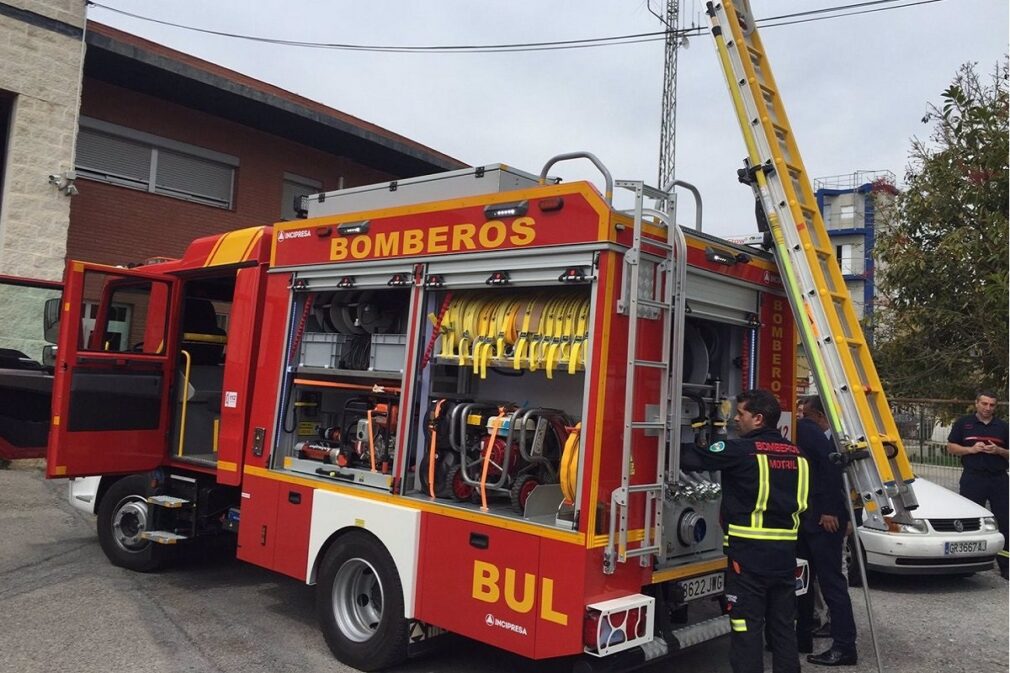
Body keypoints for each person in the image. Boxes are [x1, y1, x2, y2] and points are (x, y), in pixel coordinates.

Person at [683, 389, 808, 673]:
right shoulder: (798, 454)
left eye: (741, 414)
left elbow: (692, 459)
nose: (735, 420)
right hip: (785, 557)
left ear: (758, 418)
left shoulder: (741, 450)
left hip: (748, 560)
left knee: (746, 630)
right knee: (783, 629)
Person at [795, 395, 858, 666]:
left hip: (822, 520)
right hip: (811, 518)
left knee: (830, 583)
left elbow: (832, 469)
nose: (801, 418)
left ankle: (844, 647)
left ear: (820, 416)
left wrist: (831, 511)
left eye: (805, 414)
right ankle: (803, 635)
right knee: (805, 581)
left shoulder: (812, 432)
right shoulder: (821, 433)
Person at [946, 391, 1009, 579]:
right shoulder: (964, 424)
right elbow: (951, 447)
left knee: (1005, 522)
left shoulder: (1003, 427)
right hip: (973, 478)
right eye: (984, 404)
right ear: (976, 403)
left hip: (998, 479)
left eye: (992, 405)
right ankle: (968, 566)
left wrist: (998, 450)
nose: (988, 408)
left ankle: (1005, 565)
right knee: (970, 522)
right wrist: (970, 449)